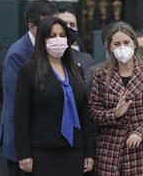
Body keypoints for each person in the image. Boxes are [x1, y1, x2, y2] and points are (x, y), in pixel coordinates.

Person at [13, 17, 94, 176]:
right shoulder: (29, 71)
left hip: (74, 151)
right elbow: (21, 115)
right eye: (52, 35)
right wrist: (24, 154)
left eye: (62, 35)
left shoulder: (76, 71)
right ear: (42, 39)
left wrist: (89, 152)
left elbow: (84, 114)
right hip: (42, 152)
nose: (58, 40)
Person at [89, 22, 143, 175]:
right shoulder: (101, 74)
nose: (122, 47)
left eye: (126, 42)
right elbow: (94, 111)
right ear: (110, 47)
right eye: (117, 44)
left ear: (134, 44)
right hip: (110, 154)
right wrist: (115, 114)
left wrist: (141, 132)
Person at [0, 0, 57, 176]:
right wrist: (24, 151)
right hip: (23, 144)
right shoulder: (18, 54)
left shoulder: (53, 47)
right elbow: (18, 104)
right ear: (32, 27)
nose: (53, 32)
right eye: (46, 26)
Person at [57, 7, 95, 73]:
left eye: (72, 25)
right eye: (64, 24)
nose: (68, 27)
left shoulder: (86, 60)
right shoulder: (39, 59)